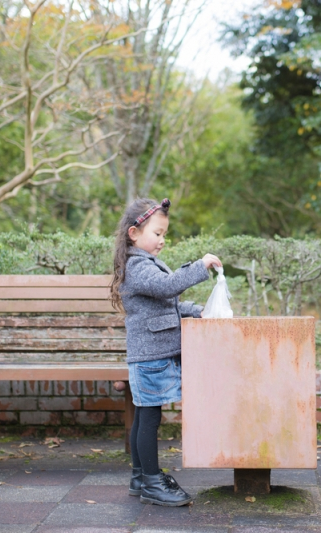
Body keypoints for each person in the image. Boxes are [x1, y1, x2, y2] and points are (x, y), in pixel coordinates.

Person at [110, 197, 222, 507]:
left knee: (145, 416)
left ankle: (139, 476)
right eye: (157, 234)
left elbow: (166, 305)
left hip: (151, 356)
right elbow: (167, 287)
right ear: (134, 233)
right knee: (149, 419)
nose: (161, 241)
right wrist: (200, 266)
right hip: (149, 358)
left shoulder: (142, 263)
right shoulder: (138, 265)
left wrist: (198, 311)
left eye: (164, 235)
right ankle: (152, 482)